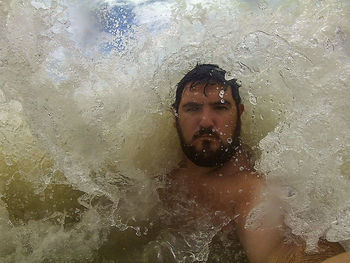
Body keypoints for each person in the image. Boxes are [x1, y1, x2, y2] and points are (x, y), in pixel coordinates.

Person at [168, 64, 350, 263]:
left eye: (220, 107)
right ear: (175, 117)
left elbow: (285, 252)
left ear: (240, 112)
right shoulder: (162, 180)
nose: (205, 122)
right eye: (192, 109)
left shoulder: (253, 189)